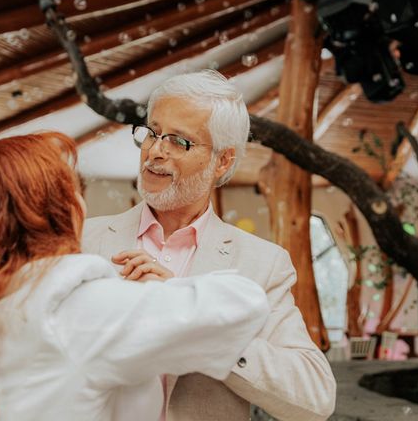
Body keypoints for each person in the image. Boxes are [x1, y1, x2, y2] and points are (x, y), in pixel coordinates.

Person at [0, 132, 270, 421]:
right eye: (72, 190)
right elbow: (241, 303)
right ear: (53, 210)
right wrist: (163, 286)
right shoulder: (73, 309)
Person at [83, 70, 337, 421]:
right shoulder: (80, 241)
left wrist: (194, 320)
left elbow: (314, 398)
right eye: (153, 133)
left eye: (178, 141)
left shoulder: (263, 264)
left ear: (223, 161)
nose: (155, 151)